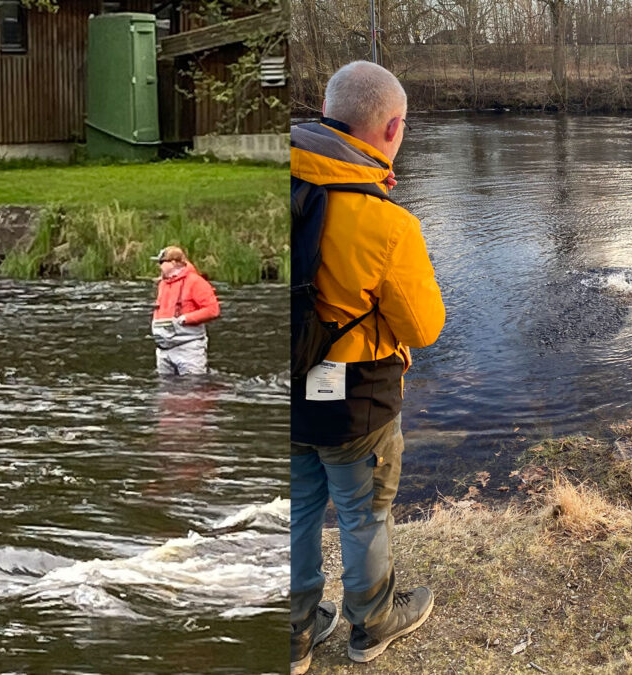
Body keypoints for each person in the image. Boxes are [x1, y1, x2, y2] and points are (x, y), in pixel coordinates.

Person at [290, 60, 446, 672]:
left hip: (283, 390)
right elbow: (424, 327)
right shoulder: (387, 222)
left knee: (298, 509)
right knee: (362, 514)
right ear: (392, 129)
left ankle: (294, 633)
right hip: (360, 400)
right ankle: (372, 624)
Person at [150, 246, 220, 376]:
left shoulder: (196, 282)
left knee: (192, 389)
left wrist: (185, 319)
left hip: (189, 349)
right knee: (165, 390)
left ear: (173, 263)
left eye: (161, 262)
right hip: (164, 349)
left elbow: (213, 310)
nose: (159, 266)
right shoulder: (162, 284)